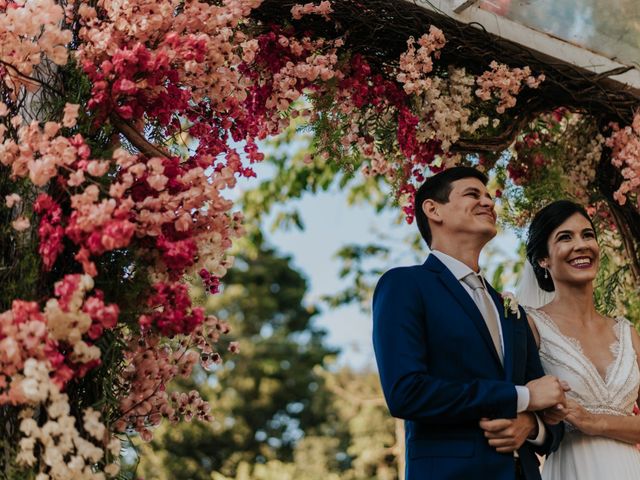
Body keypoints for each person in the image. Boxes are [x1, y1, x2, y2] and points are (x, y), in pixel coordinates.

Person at [372, 167, 566, 480]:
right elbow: (405, 392)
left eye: (489, 196)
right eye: (473, 194)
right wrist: (521, 398)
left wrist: (531, 426)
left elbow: (551, 415)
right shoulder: (405, 285)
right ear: (433, 210)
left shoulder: (511, 311)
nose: (488, 202)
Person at [519, 200, 640, 479]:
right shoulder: (530, 326)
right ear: (543, 259)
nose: (582, 244)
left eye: (587, 235)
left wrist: (594, 421)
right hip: (572, 468)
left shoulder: (627, 332)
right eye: (565, 237)